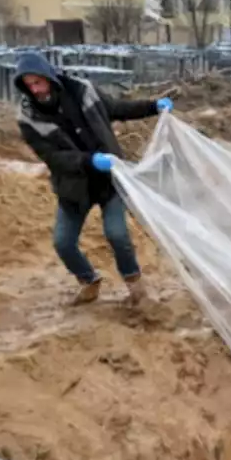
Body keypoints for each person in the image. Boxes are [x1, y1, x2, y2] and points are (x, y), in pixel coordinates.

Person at [13, 51, 174, 305]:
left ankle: (135, 286)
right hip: (74, 186)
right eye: (29, 85)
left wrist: (153, 106)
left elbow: (117, 108)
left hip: (108, 180)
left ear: (49, 77)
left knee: (117, 234)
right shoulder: (29, 118)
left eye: (38, 82)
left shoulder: (82, 91)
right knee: (63, 243)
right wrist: (89, 161)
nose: (35, 90)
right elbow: (53, 158)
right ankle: (89, 281)